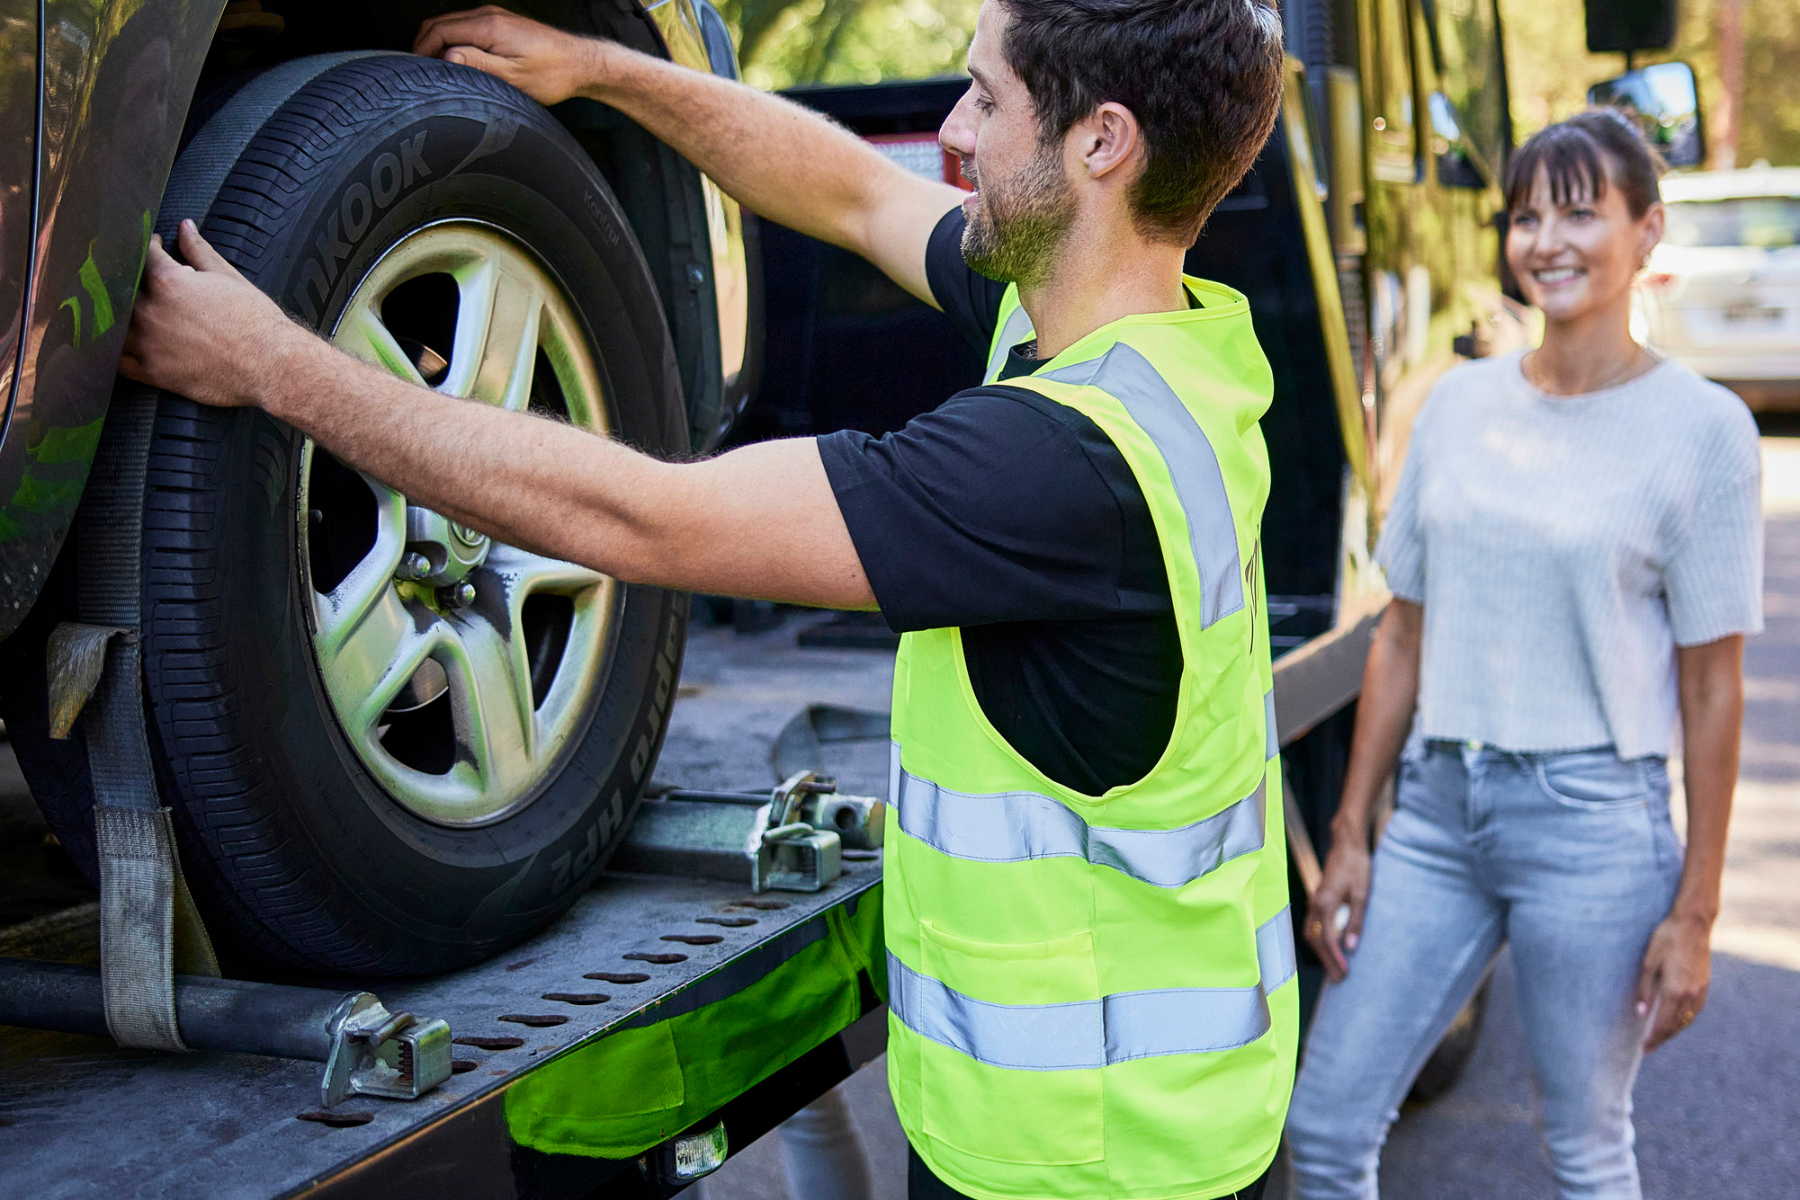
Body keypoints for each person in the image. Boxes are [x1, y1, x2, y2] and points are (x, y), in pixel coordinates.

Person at [121, 2, 1295, 1197]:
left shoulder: (1058, 466)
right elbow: (850, 193)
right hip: (1108, 1126)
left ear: (1102, 144)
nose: (950, 131)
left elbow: (645, 519)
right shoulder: (1145, 349)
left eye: (987, 101)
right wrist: (612, 70)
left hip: (1095, 1167)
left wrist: (270, 364)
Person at [1285, 110, 1762, 1200]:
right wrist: (1353, 830)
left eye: (1581, 212)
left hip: (1597, 825)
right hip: (1441, 814)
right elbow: (1401, 632)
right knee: (1325, 1128)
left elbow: (1712, 685)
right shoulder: (1458, 406)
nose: (1546, 239)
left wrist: (1696, 913)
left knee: (1586, 1151)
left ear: (1646, 232)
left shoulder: (1703, 431)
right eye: (1525, 214)